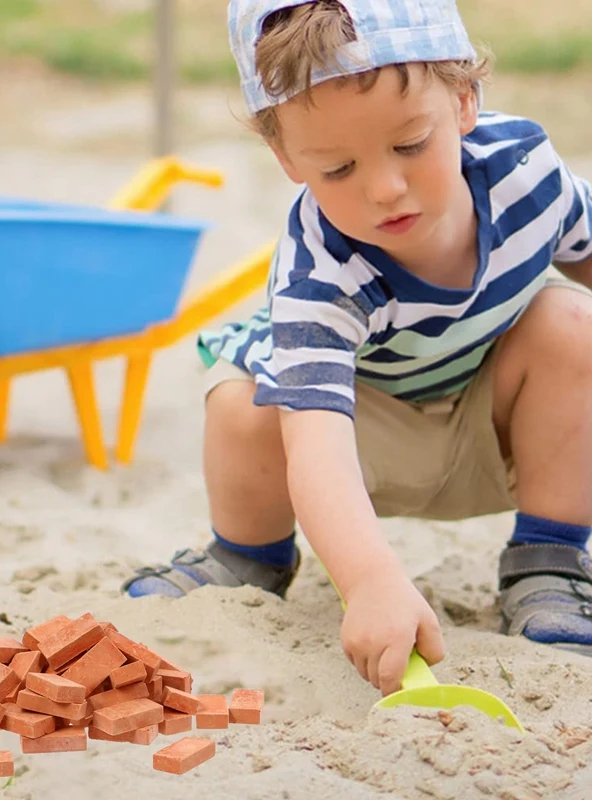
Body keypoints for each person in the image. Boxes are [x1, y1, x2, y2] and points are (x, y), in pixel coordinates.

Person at [122, 0, 592, 696]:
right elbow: (315, 446)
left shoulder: (526, 174)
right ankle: (249, 554)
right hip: (357, 449)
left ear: (465, 101)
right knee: (245, 397)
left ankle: (549, 557)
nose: (384, 189)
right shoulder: (322, 268)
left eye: (410, 146)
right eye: (337, 169)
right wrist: (370, 582)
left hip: (493, 428)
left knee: (572, 325)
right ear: (286, 157)